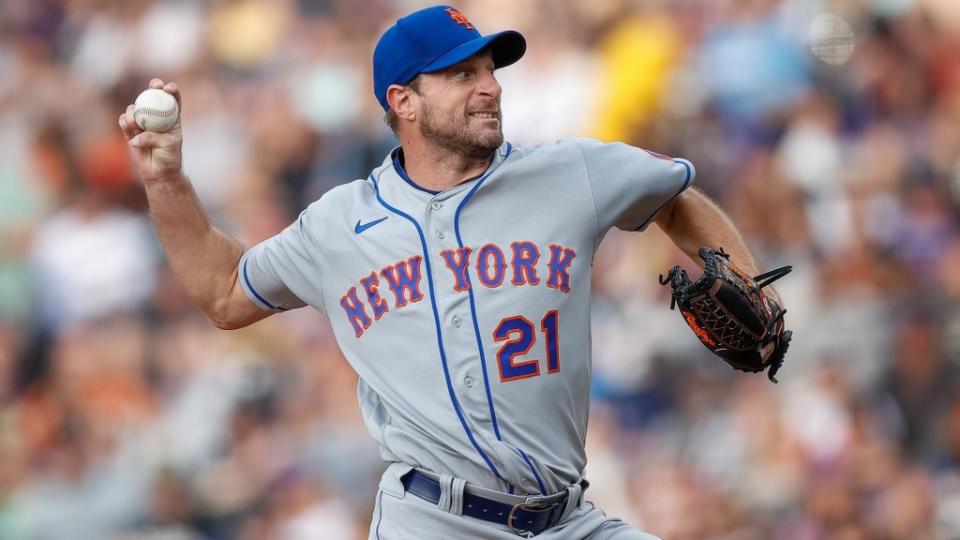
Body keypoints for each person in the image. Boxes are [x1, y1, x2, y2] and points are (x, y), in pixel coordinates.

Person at [119, 5, 781, 539]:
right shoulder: (339, 225)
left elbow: (675, 196)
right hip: (432, 520)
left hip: (567, 518)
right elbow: (225, 291)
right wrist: (167, 180)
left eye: (488, 69)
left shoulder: (569, 172)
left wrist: (747, 283)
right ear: (404, 101)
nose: (489, 84)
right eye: (461, 74)